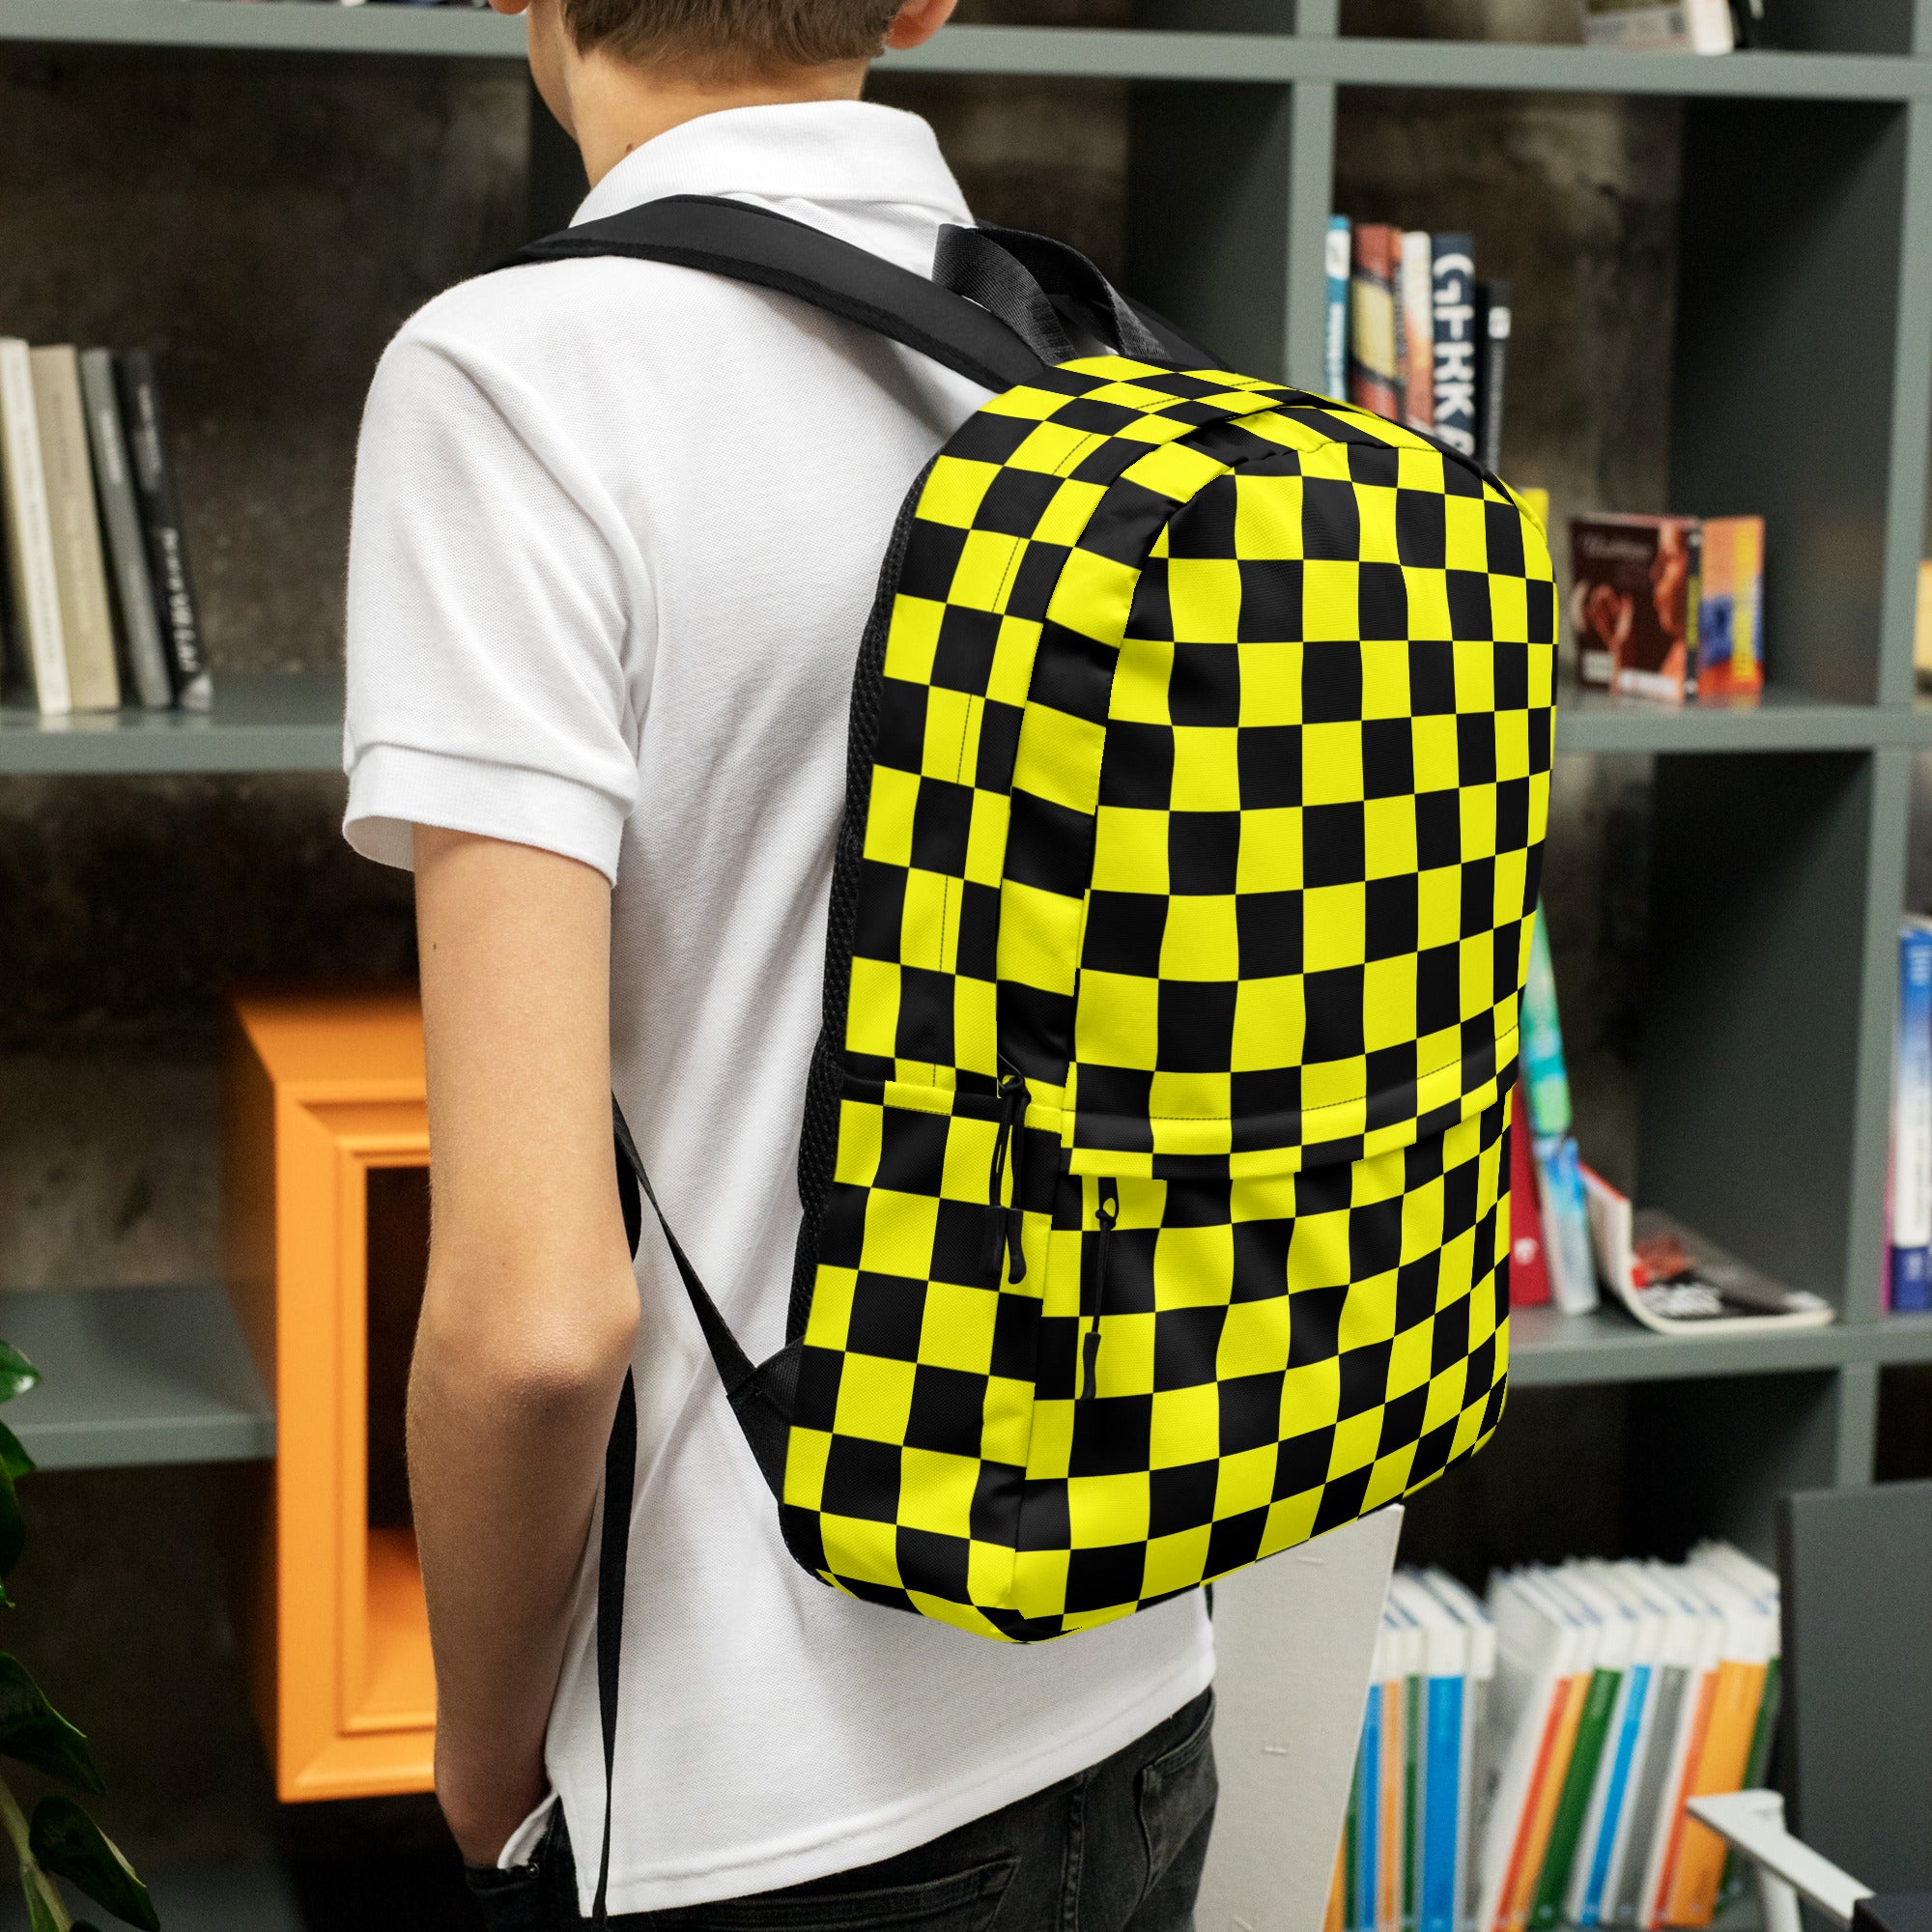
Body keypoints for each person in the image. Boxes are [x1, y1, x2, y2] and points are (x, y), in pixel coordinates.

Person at [340, 1, 1216, 1924]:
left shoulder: (513, 381)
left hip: (774, 1801)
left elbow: (536, 1317)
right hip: (1140, 1690)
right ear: (923, 0)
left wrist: (487, 1755)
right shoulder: (1102, 380)